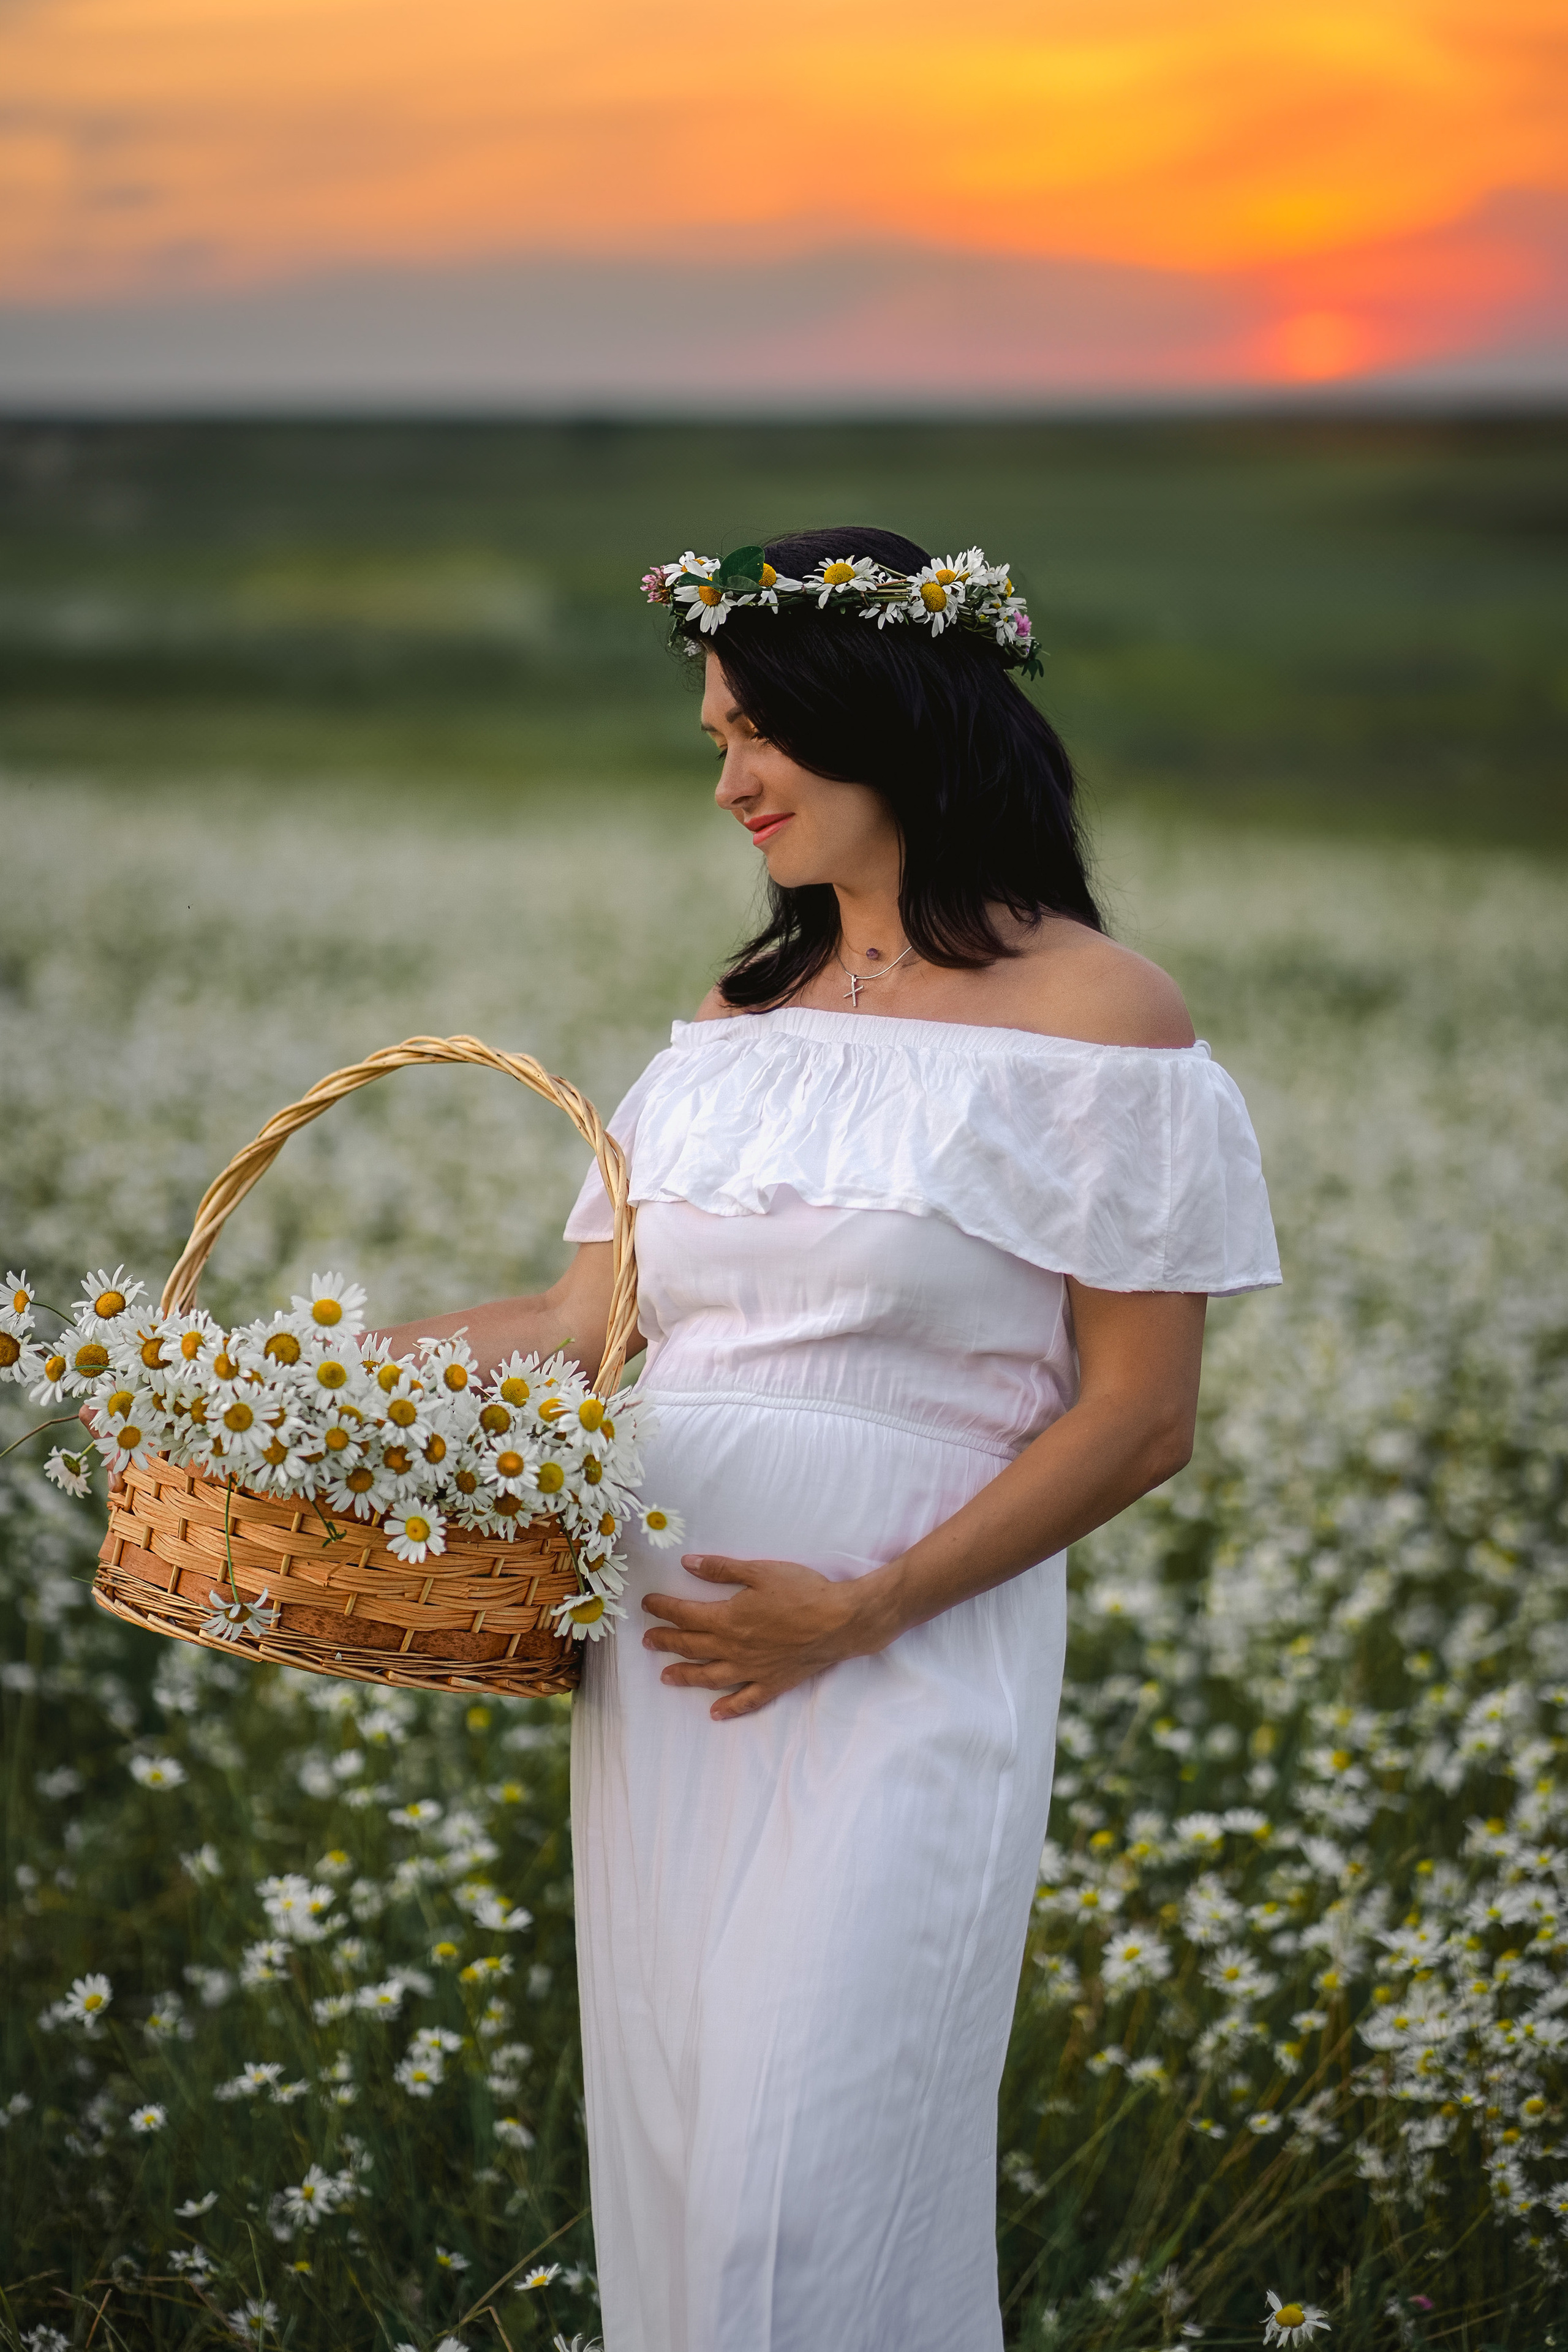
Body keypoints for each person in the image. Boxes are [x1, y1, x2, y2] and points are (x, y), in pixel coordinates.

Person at [386, 527, 1281, 2351]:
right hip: (666, 1671)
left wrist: (863, 1609)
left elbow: (1140, 1415)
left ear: (890, 718)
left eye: (760, 739)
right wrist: (283, 1370)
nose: (729, 785)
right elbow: (578, 1336)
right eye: (714, 739)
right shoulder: (728, 1031)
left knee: (803, 2204)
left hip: (902, 1658)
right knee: (696, 2170)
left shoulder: (1103, 1019)